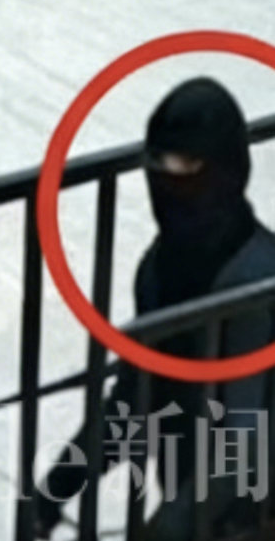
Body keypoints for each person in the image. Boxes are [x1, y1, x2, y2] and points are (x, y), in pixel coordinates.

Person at [31, 77, 275, 539]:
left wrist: (164, 530)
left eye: (187, 168)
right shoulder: (160, 269)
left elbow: (244, 443)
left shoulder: (256, 284)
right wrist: (57, 487)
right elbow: (135, 399)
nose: (168, 183)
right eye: (159, 166)